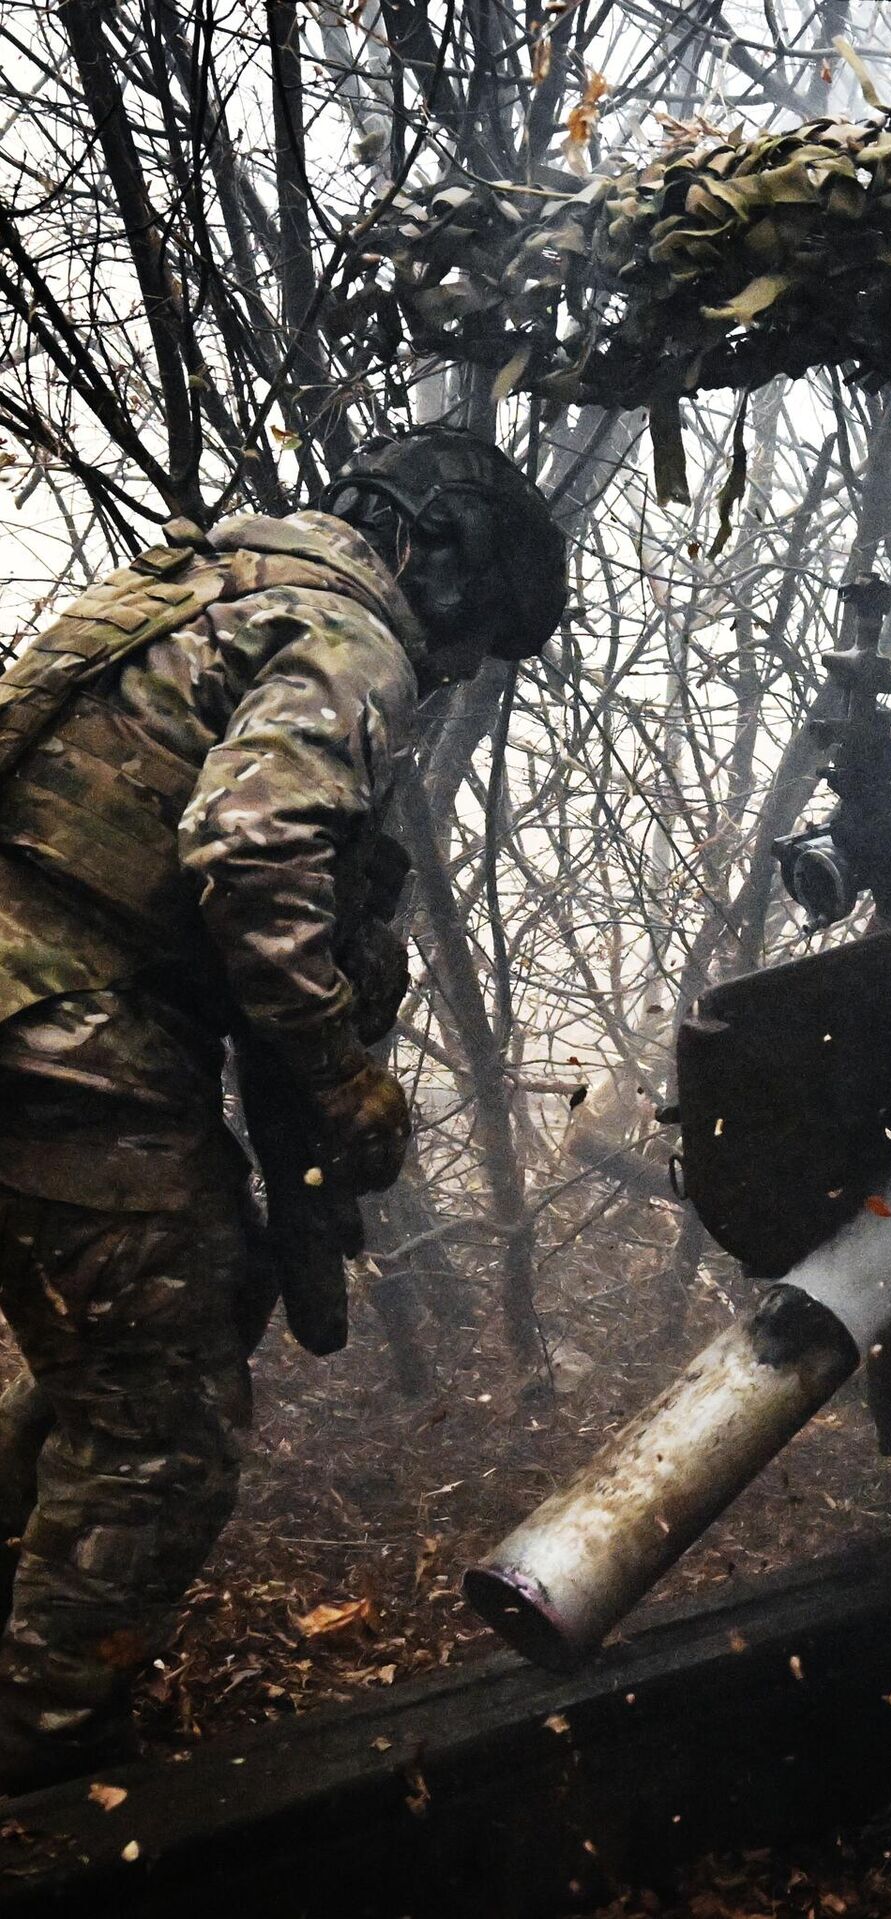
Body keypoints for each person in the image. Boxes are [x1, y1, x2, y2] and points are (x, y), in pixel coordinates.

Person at [0, 428, 566, 1790]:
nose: (453, 670)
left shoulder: (203, 585)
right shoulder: (345, 634)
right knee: (163, 1430)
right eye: (471, 638)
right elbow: (252, 855)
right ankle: (42, 1771)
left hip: (38, 1001)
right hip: (57, 1014)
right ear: (437, 561)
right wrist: (341, 1078)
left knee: (140, 1341)